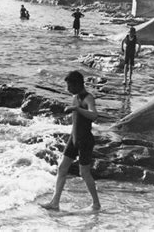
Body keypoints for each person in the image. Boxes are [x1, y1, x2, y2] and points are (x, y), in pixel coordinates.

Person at [40, 71, 101, 211]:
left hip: (85, 140)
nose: (68, 89)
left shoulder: (88, 98)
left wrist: (76, 109)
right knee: (62, 169)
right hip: (74, 139)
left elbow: (94, 115)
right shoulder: (75, 96)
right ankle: (55, 202)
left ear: (77, 84)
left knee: (84, 173)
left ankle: (96, 204)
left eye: (69, 86)